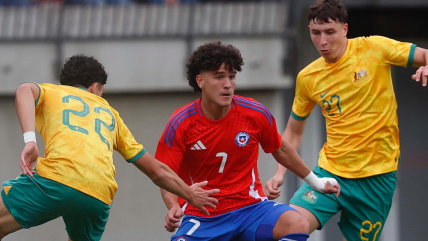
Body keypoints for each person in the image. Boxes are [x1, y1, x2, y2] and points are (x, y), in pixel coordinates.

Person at [0, 54, 219, 241]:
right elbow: (156, 171)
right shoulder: (111, 115)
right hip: (98, 195)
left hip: (56, 179)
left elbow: (24, 90)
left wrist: (30, 141)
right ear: (96, 87)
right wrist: (189, 194)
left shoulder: (54, 92)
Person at [264, 0, 428, 241]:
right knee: (290, 225)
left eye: (330, 32)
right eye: (315, 33)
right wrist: (280, 173)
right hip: (330, 173)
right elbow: (293, 131)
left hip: (377, 178)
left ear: (345, 29)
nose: (322, 41)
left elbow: (424, 55)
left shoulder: (375, 48)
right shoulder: (308, 77)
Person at [155, 41, 340, 241]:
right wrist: (173, 206)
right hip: (203, 214)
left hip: (250, 209)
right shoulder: (181, 123)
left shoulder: (254, 113)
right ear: (200, 81)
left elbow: (281, 150)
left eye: (232, 77)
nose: (228, 84)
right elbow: (165, 174)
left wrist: (317, 182)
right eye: (219, 77)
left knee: (297, 223)